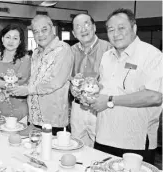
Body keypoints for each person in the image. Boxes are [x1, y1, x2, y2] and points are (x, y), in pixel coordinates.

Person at [89, 8, 162, 164]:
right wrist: (90, 93)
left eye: (121, 28)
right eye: (111, 29)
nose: (116, 34)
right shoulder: (107, 56)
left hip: (135, 141)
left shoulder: (152, 55)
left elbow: (154, 96)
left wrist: (109, 100)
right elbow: (105, 87)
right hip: (103, 136)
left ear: (134, 28)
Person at [9, 15, 74, 135]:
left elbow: (55, 82)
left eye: (44, 30)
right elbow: (33, 80)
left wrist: (28, 90)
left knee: (51, 153)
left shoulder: (63, 49)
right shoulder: (36, 53)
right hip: (34, 118)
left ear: (52, 29)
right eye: (36, 31)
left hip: (53, 121)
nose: (40, 35)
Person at [70, 13, 112, 147]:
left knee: (100, 146)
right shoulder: (70, 51)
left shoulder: (109, 49)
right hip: (77, 107)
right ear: (74, 33)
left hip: (99, 107)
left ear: (94, 27)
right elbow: (67, 77)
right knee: (76, 145)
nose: (83, 29)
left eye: (87, 24)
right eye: (78, 27)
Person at [0, 24, 31, 121]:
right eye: (8, 37)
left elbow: (21, 85)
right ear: (2, 39)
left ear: (20, 41)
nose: (11, 41)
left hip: (18, 112)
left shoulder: (25, 60)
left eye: (15, 38)